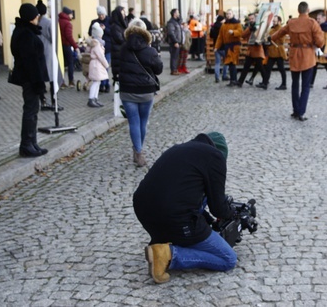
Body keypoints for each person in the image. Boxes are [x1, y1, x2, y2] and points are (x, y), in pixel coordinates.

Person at [133, 131, 237, 284]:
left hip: (143, 210)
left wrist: (206, 220)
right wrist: (232, 213)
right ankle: (168, 254)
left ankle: (162, 241)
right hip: (173, 217)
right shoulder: (216, 157)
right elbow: (218, 208)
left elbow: (183, 191)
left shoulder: (179, 149)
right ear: (222, 152)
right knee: (228, 259)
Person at [270, 2, 324, 121]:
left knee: (295, 84)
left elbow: (280, 32)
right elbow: (320, 41)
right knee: (305, 86)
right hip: (307, 55)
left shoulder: (292, 22)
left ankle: (295, 110)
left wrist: (271, 37)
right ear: (308, 10)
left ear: (298, 10)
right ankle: (301, 112)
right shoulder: (312, 23)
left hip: (294, 54)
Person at [119, 18, 162, 167]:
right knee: (143, 122)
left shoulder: (123, 48)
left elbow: (116, 68)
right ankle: (138, 151)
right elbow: (159, 69)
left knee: (134, 122)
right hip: (146, 92)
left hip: (127, 91)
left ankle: (138, 151)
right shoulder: (150, 51)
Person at [10, 3, 49, 157]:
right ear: (30, 17)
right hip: (30, 78)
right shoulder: (25, 34)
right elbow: (30, 61)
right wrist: (38, 83)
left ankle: (32, 142)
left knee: (33, 111)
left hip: (31, 77)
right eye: (35, 15)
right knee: (30, 111)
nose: (38, 17)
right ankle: (26, 144)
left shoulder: (25, 31)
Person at [36, 0, 64, 111]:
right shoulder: (49, 22)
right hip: (49, 51)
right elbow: (54, 38)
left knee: (41, 78)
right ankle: (54, 101)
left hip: (38, 52)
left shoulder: (35, 22)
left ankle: (43, 101)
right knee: (52, 77)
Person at [238, 13, 267, 89]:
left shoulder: (259, 26)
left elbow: (263, 36)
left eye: (252, 19)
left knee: (260, 67)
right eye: (250, 19)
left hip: (257, 50)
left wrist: (256, 32)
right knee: (246, 67)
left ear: (255, 19)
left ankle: (265, 82)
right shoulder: (249, 27)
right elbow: (243, 35)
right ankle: (240, 81)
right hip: (250, 51)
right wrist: (249, 30)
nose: (251, 20)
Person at [214, 9, 243, 87]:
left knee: (232, 63)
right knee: (230, 64)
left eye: (229, 14)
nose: (228, 15)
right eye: (227, 14)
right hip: (227, 46)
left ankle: (233, 80)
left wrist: (233, 32)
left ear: (232, 14)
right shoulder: (224, 25)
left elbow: (240, 32)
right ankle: (233, 80)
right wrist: (217, 46)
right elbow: (220, 37)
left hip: (234, 46)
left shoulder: (237, 23)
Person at [88, 6, 112, 93]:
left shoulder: (109, 20)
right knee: (99, 67)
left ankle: (106, 84)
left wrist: (105, 29)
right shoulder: (94, 22)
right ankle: (102, 85)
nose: (101, 16)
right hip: (97, 46)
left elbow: (112, 32)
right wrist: (97, 29)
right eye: (99, 14)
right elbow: (90, 32)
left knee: (105, 67)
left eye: (102, 14)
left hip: (107, 46)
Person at [86, 22, 109, 107]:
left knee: (97, 82)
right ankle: (91, 99)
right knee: (96, 82)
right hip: (96, 65)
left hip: (96, 64)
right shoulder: (97, 44)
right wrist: (106, 64)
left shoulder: (94, 43)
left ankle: (95, 98)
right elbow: (101, 56)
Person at [311, 11, 327, 89]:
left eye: (319, 18)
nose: (318, 20)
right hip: (318, 48)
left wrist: (325, 52)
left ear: (324, 18)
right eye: (317, 18)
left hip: (324, 49)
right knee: (314, 66)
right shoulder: (317, 27)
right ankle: (311, 83)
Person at [263, 15, 287, 90]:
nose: (273, 22)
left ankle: (284, 84)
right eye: (273, 21)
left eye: (275, 21)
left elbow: (281, 40)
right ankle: (265, 83)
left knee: (281, 68)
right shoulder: (271, 29)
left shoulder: (281, 29)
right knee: (268, 68)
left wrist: (272, 38)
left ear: (279, 22)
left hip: (278, 51)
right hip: (272, 52)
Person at [58, 6, 80, 88]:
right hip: (66, 45)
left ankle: (61, 82)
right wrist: (75, 46)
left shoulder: (57, 21)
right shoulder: (67, 23)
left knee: (61, 64)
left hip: (59, 46)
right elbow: (69, 36)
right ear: (67, 14)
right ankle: (71, 81)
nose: (72, 16)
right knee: (70, 63)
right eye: (71, 14)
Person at [110, 6, 127, 83]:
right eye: (123, 14)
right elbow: (120, 39)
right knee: (118, 76)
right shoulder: (115, 26)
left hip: (122, 52)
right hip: (118, 53)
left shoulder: (122, 25)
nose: (124, 15)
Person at [210, 15, 228, 83]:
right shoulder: (223, 26)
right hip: (223, 46)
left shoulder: (213, 26)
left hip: (216, 47)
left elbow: (211, 35)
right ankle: (224, 75)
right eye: (224, 19)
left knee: (217, 63)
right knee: (226, 61)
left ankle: (217, 77)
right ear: (222, 20)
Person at [166, 8, 182, 75]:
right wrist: (175, 41)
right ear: (174, 14)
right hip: (174, 42)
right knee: (174, 57)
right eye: (178, 12)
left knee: (176, 56)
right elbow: (171, 33)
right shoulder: (171, 22)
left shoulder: (176, 21)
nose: (179, 14)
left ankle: (175, 69)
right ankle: (173, 70)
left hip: (177, 41)